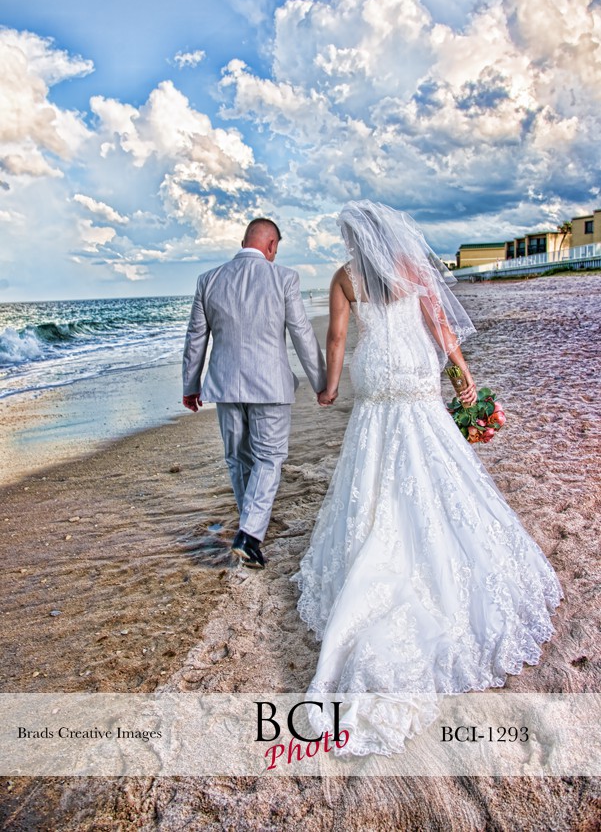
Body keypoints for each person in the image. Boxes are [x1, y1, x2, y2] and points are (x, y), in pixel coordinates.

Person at [293, 200, 563, 755]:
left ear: (353, 238)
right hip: (414, 375)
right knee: (437, 455)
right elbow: (440, 325)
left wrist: (328, 388)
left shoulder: (346, 277)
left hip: (377, 381)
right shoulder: (412, 268)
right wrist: (463, 377)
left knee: (370, 464)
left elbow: (339, 341)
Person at [182, 217, 327, 569]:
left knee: (238, 456)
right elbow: (301, 334)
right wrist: (322, 382)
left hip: (225, 385)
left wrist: (190, 385)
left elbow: (195, 338)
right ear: (272, 245)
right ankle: (249, 534)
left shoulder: (209, 279)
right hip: (269, 384)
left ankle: (248, 525)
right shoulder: (284, 277)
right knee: (269, 456)